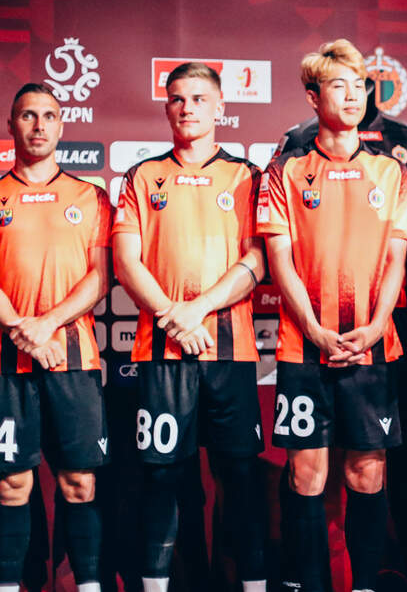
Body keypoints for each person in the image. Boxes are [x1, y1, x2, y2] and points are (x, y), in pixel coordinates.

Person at [258, 39, 407, 592]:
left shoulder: (390, 171)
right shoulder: (285, 171)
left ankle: (364, 583)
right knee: (306, 474)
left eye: (359, 86)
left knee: (367, 471)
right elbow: (280, 261)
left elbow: (396, 259)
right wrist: (315, 329)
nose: (352, 96)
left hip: (375, 345)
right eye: (338, 86)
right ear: (312, 96)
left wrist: (375, 326)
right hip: (304, 346)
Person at [112, 62, 268, 592]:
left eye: (199, 99)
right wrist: (175, 320)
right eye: (178, 99)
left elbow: (257, 259)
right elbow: (126, 262)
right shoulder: (142, 176)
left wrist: (196, 310)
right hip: (162, 354)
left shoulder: (247, 175)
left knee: (240, 477)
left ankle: (251, 584)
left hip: (231, 351)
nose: (188, 108)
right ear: (166, 108)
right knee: (160, 477)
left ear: (221, 107)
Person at [0, 82, 111, 592]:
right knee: (11, 485)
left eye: (48, 115)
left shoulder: (90, 196)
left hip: (73, 360)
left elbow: (100, 277)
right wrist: (20, 328)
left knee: (80, 483)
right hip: (8, 363)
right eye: (28, 115)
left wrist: (46, 325)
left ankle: (87, 585)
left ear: (62, 125)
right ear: (11, 126)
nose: (39, 125)